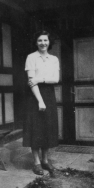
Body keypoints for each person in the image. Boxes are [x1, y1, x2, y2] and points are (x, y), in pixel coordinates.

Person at [23, 30, 60, 175]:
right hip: (35, 96)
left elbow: (55, 79)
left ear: (49, 42)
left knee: (47, 127)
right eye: (40, 40)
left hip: (49, 94)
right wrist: (40, 101)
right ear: (36, 42)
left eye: (45, 40)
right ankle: (36, 162)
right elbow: (31, 81)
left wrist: (40, 79)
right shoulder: (31, 57)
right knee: (35, 128)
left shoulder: (54, 59)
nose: (43, 43)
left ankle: (45, 160)